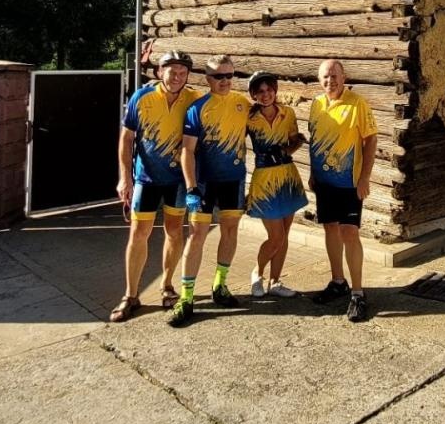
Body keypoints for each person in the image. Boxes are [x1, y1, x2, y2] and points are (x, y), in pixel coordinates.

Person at [111, 50, 200, 322]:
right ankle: (131, 295)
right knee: (139, 233)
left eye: (183, 73)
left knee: (174, 231)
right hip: (146, 178)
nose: (177, 77)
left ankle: (167, 285)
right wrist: (124, 177)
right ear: (160, 72)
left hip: (177, 181)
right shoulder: (142, 97)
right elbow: (126, 139)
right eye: (172, 72)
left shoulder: (193, 99)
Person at [168, 55, 252, 327]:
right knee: (197, 236)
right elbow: (187, 151)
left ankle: (220, 285)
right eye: (218, 76)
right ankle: (186, 297)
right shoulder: (197, 108)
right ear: (208, 79)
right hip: (204, 183)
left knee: (230, 231)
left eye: (229, 75)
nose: (225, 81)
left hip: (233, 180)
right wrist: (191, 187)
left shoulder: (243, 103)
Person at [308, 59, 379, 322]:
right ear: (320, 80)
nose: (330, 81)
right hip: (324, 183)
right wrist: (313, 173)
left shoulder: (357, 103)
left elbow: (371, 139)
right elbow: (315, 140)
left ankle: (358, 293)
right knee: (330, 228)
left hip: (349, 183)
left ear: (344, 77)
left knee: (349, 232)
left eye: (334, 76)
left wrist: (365, 178)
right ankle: (338, 282)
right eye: (325, 77)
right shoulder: (317, 104)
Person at [245, 71, 308, 296]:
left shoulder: (287, 113)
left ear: (275, 91)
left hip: (287, 177)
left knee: (284, 234)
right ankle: (257, 272)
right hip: (264, 180)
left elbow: (292, 143)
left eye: (269, 90)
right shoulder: (249, 118)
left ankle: (275, 282)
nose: (266, 95)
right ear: (254, 94)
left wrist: (290, 148)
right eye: (260, 91)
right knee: (276, 236)